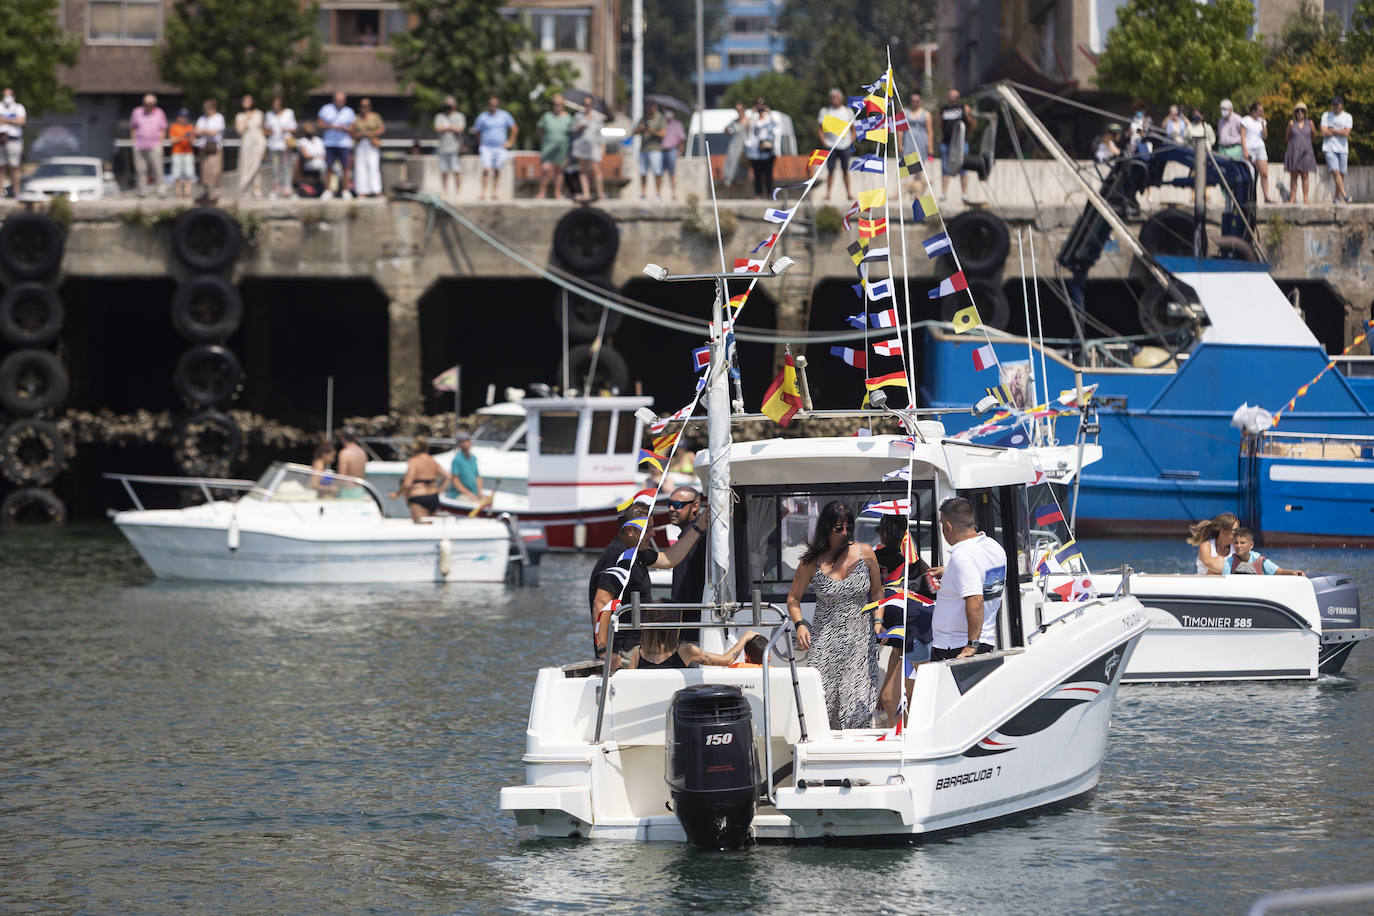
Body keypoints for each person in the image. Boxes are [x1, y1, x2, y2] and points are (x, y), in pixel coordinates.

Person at [785, 500, 883, 730]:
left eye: (849, 526)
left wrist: (878, 621)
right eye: (839, 528)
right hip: (825, 643)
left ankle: (857, 757)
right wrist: (800, 625)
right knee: (822, 703)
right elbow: (793, 599)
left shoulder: (865, 552)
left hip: (860, 641)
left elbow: (878, 592)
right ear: (826, 528)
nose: (845, 532)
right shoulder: (811, 562)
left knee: (857, 705)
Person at [589, 503, 710, 668]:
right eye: (647, 530)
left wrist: (699, 526)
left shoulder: (635, 550)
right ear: (631, 531)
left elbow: (668, 559)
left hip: (640, 645)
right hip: (624, 651)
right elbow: (601, 601)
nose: (652, 533)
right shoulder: (619, 556)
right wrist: (603, 649)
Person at [873, 514, 937, 723]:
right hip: (918, 638)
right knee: (897, 698)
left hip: (918, 639)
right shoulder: (920, 566)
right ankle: (904, 737)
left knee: (897, 698)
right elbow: (898, 650)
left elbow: (898, 650)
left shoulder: (874, 562)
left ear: (883, 533)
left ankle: (906, 740)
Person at [929, 496, 1007, 661]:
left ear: (948, 527)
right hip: (983, 639)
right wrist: (949, 572)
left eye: (942, 525)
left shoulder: (962, 556)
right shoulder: (994, 547)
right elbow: (982, 577)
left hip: (956, 646)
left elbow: (975, 599)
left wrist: (972, 644)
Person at [629, 607, 759, 669]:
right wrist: (745, 637)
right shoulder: (686, 651)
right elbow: (726, 660)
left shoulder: (637, 653)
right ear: (675, 626)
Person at [667, 485, 706, 643]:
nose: (671, 509)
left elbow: (681, 589)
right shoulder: (696, 534)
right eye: (669, 504)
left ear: (695, 505)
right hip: (697, 623)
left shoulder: (690, 539)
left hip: (690, 628)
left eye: (677, 505)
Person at [388, 435, 451, 522]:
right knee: (431, 530)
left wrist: (396, 495)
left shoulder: (414, 461)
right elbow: (447, 476)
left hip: (418, 497)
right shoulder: (432, 460)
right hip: (433, 497)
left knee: (422, 530)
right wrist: (440, 490)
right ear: (426, 447)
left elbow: (407, 484)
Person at [473, 94, 518, 201]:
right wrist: (480, 142)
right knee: (486, 169)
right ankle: (483, 193)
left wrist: (510, 142)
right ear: (488, 104)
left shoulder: (505, 115)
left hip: (500, 148)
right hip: (486, 147)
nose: (493, 105)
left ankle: (494, 193)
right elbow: (476, 131)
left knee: (497, 170)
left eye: (495, 104)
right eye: (491, 104)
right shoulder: (482, 116)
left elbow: (515, 129)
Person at [318, 91, 356, 199]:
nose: (340, 102)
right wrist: (330, 126)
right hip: (329, 142)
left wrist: (345, 128)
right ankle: (327, 190)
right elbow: (319, 124)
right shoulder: (326, 109)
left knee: (346, 167)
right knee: (329, 167)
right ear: (334, 100)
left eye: (342, 100)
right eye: (338, 100)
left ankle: (345, 190)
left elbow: (353, 128)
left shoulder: (349, 111)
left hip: (344, 143)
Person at [940, 89, 976, 201]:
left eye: (955, 96)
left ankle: (964, 194)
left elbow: (973, 124)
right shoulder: (944, 110)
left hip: (961, 143)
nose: (953, 98)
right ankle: (944, 193)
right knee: (945, 168)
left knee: (963, 167)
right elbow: (940, 125)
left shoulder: (964, 108)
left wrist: (968, 117)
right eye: (951, 96)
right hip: (947, 143)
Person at [817, 88, 853, 200]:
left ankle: (849, 193)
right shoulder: (825, 111)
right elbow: (820, 129)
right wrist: (824, 142)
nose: (834, 99)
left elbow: (854, 129)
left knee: (845, 170)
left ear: (841, 98)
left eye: (836, 97)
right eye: (832, 97)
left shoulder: (847, 111)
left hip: (844, 145)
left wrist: (851, 141)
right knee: (830, 170)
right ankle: (828, 194)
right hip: (830, 145)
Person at [535, 94, 573, 200]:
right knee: (545, 169)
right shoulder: (547, 116)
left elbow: (571, 135)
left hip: (562, 149)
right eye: (556, 104)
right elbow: (540, 130)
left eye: (560, 104)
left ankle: (558, 193)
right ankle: (542, 193)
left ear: (563, 105)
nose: (558, 106)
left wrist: (568, 153)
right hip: (548, 148)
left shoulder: (568, 118)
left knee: (559, 171)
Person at [1222, 529, 1305, 576]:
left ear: (1251, 545)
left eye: (1242, 543)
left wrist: (1293, 572)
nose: (1238, 546)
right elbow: (1226, 582)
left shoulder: (1260, 560)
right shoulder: (1229, 563)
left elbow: (1279, 572)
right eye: (1236, 543)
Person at [130, 93, 167, 198]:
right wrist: (134, 142)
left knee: (158, 169)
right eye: (146, 103)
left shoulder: (160, 113)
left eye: (150, 103)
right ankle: (142, 191)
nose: (148, 105)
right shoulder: (137, 112)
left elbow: (163, 129)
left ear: (154, 104)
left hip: (155, 145)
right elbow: (133, 128)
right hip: (139, 145)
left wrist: (160, 143)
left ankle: (160, 190)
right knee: (140, 170)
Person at [571, 103, 607, 202]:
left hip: (594, 147)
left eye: (589, 104)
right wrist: (581, 125)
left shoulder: (598, 118)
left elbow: (600, 134)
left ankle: (600, 193)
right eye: (585, 104)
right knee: (583, 171)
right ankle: (586, 194)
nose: (587, 106)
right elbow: (572, 130)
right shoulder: (578, 116)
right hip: (581, 147)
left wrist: (603, 148)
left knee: (596, 169)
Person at [1320, 95, 1353, 203]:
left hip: (1343, 149)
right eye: (1333, 104)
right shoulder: (1326, 115)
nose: (1334, 106)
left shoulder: (1347, 117)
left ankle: (1336, 197)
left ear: (1341, 105)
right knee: (1335, 172)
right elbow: (1323, 132)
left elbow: (1346, 133)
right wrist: (1340, 131)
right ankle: (1345, 196)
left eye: (1336, 104)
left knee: (1341, 174)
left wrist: (1332, 130)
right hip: (1329, 148)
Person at [264, 95, 297, 199]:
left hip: (285, 145)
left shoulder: (289, 113)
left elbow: (294, 128)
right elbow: (265, 129)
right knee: (275, 168)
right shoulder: (269, 114)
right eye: (274, 103)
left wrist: (286, 129)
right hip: (274, 144)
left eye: (278, 103)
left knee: (287, 167)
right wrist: (270, 131)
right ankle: (275, 189)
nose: (276, 105)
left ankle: (287, 188)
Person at [351, 97, 385, 197]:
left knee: (373, 166)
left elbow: (382, 128)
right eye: (362, 106)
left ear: (370, 107)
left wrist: (372, 133)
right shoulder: (356, 118)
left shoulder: (375, 116)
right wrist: (360, 134)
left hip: (372, 143)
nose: (364, 108)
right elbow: (352, 132)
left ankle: (376, 190)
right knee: (360, 167)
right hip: (360, 144)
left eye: (366, 106)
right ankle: (362, 191)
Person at [744, 98, 777, 200]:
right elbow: (748, 129)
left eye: (761, 105)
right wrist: (752, 113)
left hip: (767, 150)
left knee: (768, 173)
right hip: (756, 152)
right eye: (758, 105)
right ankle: (758, 193)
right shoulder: (753, 119)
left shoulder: (768, 118)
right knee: (757, 174)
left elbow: (774, 126)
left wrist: (769, 112)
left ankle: (769, 193)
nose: (760, 108)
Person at [194, 98, 225, 203]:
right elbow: (196, 131)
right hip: (204, 147)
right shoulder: (202, 118)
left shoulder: (219, 117)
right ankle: (206, 192)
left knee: (215, 170)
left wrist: (204, 132)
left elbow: (215, 131)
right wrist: (206, 132)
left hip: (215, 147)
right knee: (204, 170)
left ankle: (215, 192)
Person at [434, 96, 466, 198]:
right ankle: (445, 191)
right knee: (444, 171)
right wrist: (450, 127)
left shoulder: (459, 116)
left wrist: (448, 127)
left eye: (450, 104)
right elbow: (437, 128)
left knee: (456, 170)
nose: (448, 106)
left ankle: (458, 191)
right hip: (443, 148)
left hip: (455, 149)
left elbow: (460, 129)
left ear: (455, 105)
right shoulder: (440, 116)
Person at [235, 94, 265, 200]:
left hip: (258, 143)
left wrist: (264, 145)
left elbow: (262, 130)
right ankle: (245, 189)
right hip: (247, 143)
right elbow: (240, 130)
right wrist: (247, 118)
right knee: (245, 166)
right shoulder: (240, 116)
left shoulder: (259, 113)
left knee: (257, 167)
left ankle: (257, 189)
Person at [1285, 101, 1316, 204]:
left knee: (1305, 175)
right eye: (1298, 111)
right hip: (1294, 151)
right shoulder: (1291, 123)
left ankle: (1305, 198)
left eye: (1302, 111)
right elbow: (1287, 137)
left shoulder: (1310, 123)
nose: (1300, 113)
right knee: (1293, 176)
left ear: (1305, 112)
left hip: (1306, 152)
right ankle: (1292, 197)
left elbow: (1313, 137)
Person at [634, 100, 666, 199]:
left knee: (657, 171)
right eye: (648, 105)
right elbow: (634, 132)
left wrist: (653, 132)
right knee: (643, 172)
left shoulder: (660, 118)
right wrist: (641, 128)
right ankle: (643, 194)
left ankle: (658, 193)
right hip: (643, 149)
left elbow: (663, 133)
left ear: (655, 107)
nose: (650, 108)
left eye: (651, 106)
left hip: (655, 149)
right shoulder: (643, 118)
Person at [1242, 101, 1274, 203]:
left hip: (1260, 147)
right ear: (1253, 111)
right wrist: (1245, 150)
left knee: (1264, 173)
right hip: (1250, 148)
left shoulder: (1262, 121)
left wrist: (1263, 125)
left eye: (1262, 111)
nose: (1261, 113)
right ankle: (1249, 197)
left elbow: (1265, 136)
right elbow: (1242, 136)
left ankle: (1266, 196)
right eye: (1259, 111)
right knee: (1251, 175)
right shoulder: (1245, 120)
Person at [446, 430, 485, 504]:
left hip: (473, 493)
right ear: (460, 444)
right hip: (460, 494)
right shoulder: (457, 459)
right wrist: (469, 494)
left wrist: (479, 492)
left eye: (469, 441)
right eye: (465, 441)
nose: (469, 443)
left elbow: (478, 477)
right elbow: (455, 481)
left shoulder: (473, 458)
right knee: (473, 502)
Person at [0, 88, 25, 197]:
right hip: (1, 139)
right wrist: (13, 120)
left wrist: (4, 119)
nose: (7, 97)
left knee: (15, 166)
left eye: (9, 95)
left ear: (13, 96)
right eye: (5, 95)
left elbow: (22, 121)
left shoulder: (19, 107)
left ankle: (16, 193)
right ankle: (0, 192)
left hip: (14, 140)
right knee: (1, 166)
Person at [168, 108, 197, 199]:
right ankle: (178, 193)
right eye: (181, 116)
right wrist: (183, 136)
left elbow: (193, 142)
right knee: (177, 173)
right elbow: (172, 140)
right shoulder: (174, 126)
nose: (183, 118)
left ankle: (187, 193)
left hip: (188, 152)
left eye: (185, 117)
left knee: (189, 173)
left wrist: (189, 138)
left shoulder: (190, 127)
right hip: (177, 152)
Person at [660, 109, 685, 200]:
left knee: (672, 173)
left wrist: (680, 151)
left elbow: (682, 139)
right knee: (659, 173)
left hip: (672, 150)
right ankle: (659, 194)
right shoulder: (661, 123)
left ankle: (673, 193)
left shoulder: (678, 124)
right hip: (661, 150)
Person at [296, 121, 326, 195]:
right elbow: (306, 155)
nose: (309, 131)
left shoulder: (319, 140)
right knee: (324, 168)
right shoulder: (302, 141)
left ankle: (331, 190)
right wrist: (317, 156)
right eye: (307, 129)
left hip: (321, 163)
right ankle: (326, 189)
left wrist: (314, 156)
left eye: (311, 129)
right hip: (309, 165)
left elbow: (324, 155)